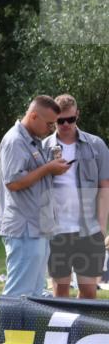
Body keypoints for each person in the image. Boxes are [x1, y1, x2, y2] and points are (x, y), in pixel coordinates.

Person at [0, 95, 68, 297]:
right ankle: (8, 321)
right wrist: (48, 168)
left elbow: (34, 177)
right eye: (49, 124)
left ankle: (26, 321)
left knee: (35, 293)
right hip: (23, 227)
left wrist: (53, 169)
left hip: (38, 225)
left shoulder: (33, 141)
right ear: (34, 116)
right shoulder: (15, 141)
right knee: (18, 293)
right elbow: (13, 182)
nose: (51, 129)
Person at [42, 94, 109, 299]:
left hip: (88, 230)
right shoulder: (43, 147)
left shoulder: (96, 145)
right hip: (56, 231)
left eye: (70, 119)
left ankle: (81, 323)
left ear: (77, 115)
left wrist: (101, 226)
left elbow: (105, 187)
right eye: (60, 120)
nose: (65, 125)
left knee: (89, 293)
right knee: (60, 292)